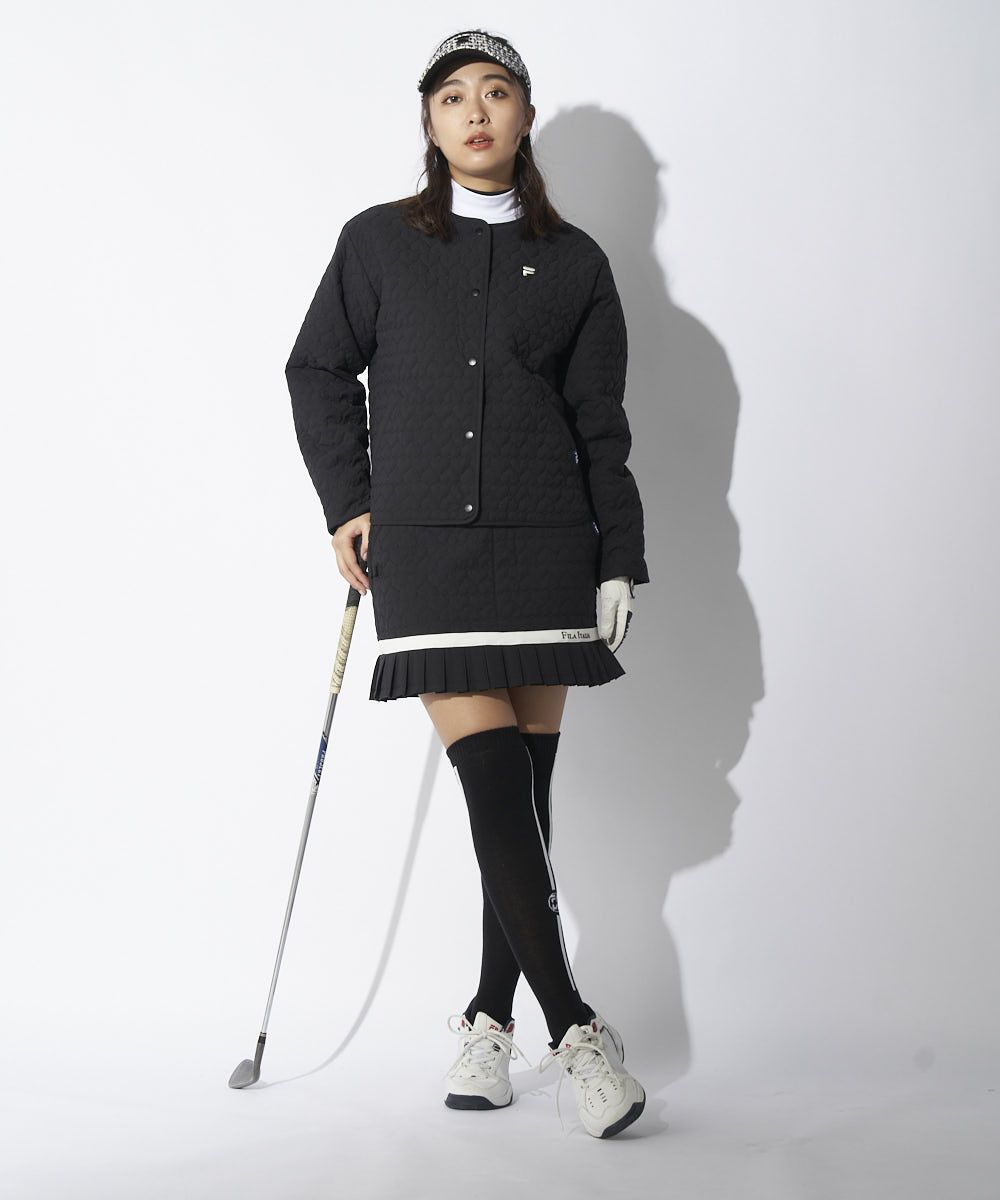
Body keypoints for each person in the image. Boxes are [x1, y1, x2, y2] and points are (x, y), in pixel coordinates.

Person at [284, 28, 650, 1139]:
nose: (476, 111)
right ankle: (576, 1029)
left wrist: (620, 553)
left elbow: (600, 422)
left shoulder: (577, 263)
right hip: (430, 553)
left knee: (523, 806)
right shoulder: (377, 243)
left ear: (525, 114)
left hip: (547, 548)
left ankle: (490, 1018)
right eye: (452, 96)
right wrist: (349, 499)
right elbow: (316, 368)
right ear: (429, 121)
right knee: (494, 788)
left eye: (496, 92)